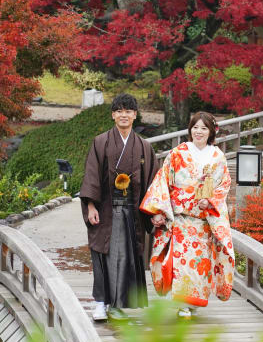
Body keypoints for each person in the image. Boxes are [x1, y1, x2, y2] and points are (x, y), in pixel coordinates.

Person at [140, 111, 235, 318]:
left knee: (200, 265)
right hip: (181, 219)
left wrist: (209, 201)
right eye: (195, 127)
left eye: (203, 128)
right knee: (182, 263)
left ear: (211, 132)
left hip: (203, 221)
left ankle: (193, 302)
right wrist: (158, 210)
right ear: (190, 130)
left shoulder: (218, 157)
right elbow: (162, 180)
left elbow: (224, 184)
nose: (199, 132)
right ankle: (183, 303)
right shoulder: (178, 153)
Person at [79, 93, 158, 321]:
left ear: (135, 115)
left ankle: (117, 303)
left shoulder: (143, 146)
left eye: (128, 111)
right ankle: (101, 303)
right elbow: (92, 175)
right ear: (113, 115)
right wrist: (91, 206)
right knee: (103, 254)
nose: (124, 115)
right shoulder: (101, 142)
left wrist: (154, 212)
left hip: (131, 211)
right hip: (105, 209)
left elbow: (153, 182)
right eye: (119, 111)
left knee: (124, 257)